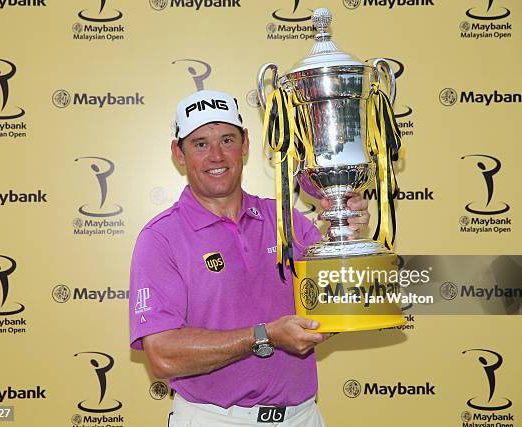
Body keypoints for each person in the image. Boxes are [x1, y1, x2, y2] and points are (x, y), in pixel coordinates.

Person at [129, 90, 369, 426]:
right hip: (215, 420)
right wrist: (264, 335)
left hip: (302, 417)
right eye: (200, 144)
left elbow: (337, 301)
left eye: (227, 139)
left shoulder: (286, 219)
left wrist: (349, 233)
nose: (216, 155)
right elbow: (163, 355)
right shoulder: (160, 238)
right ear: (178, 153)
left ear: (245, 144)